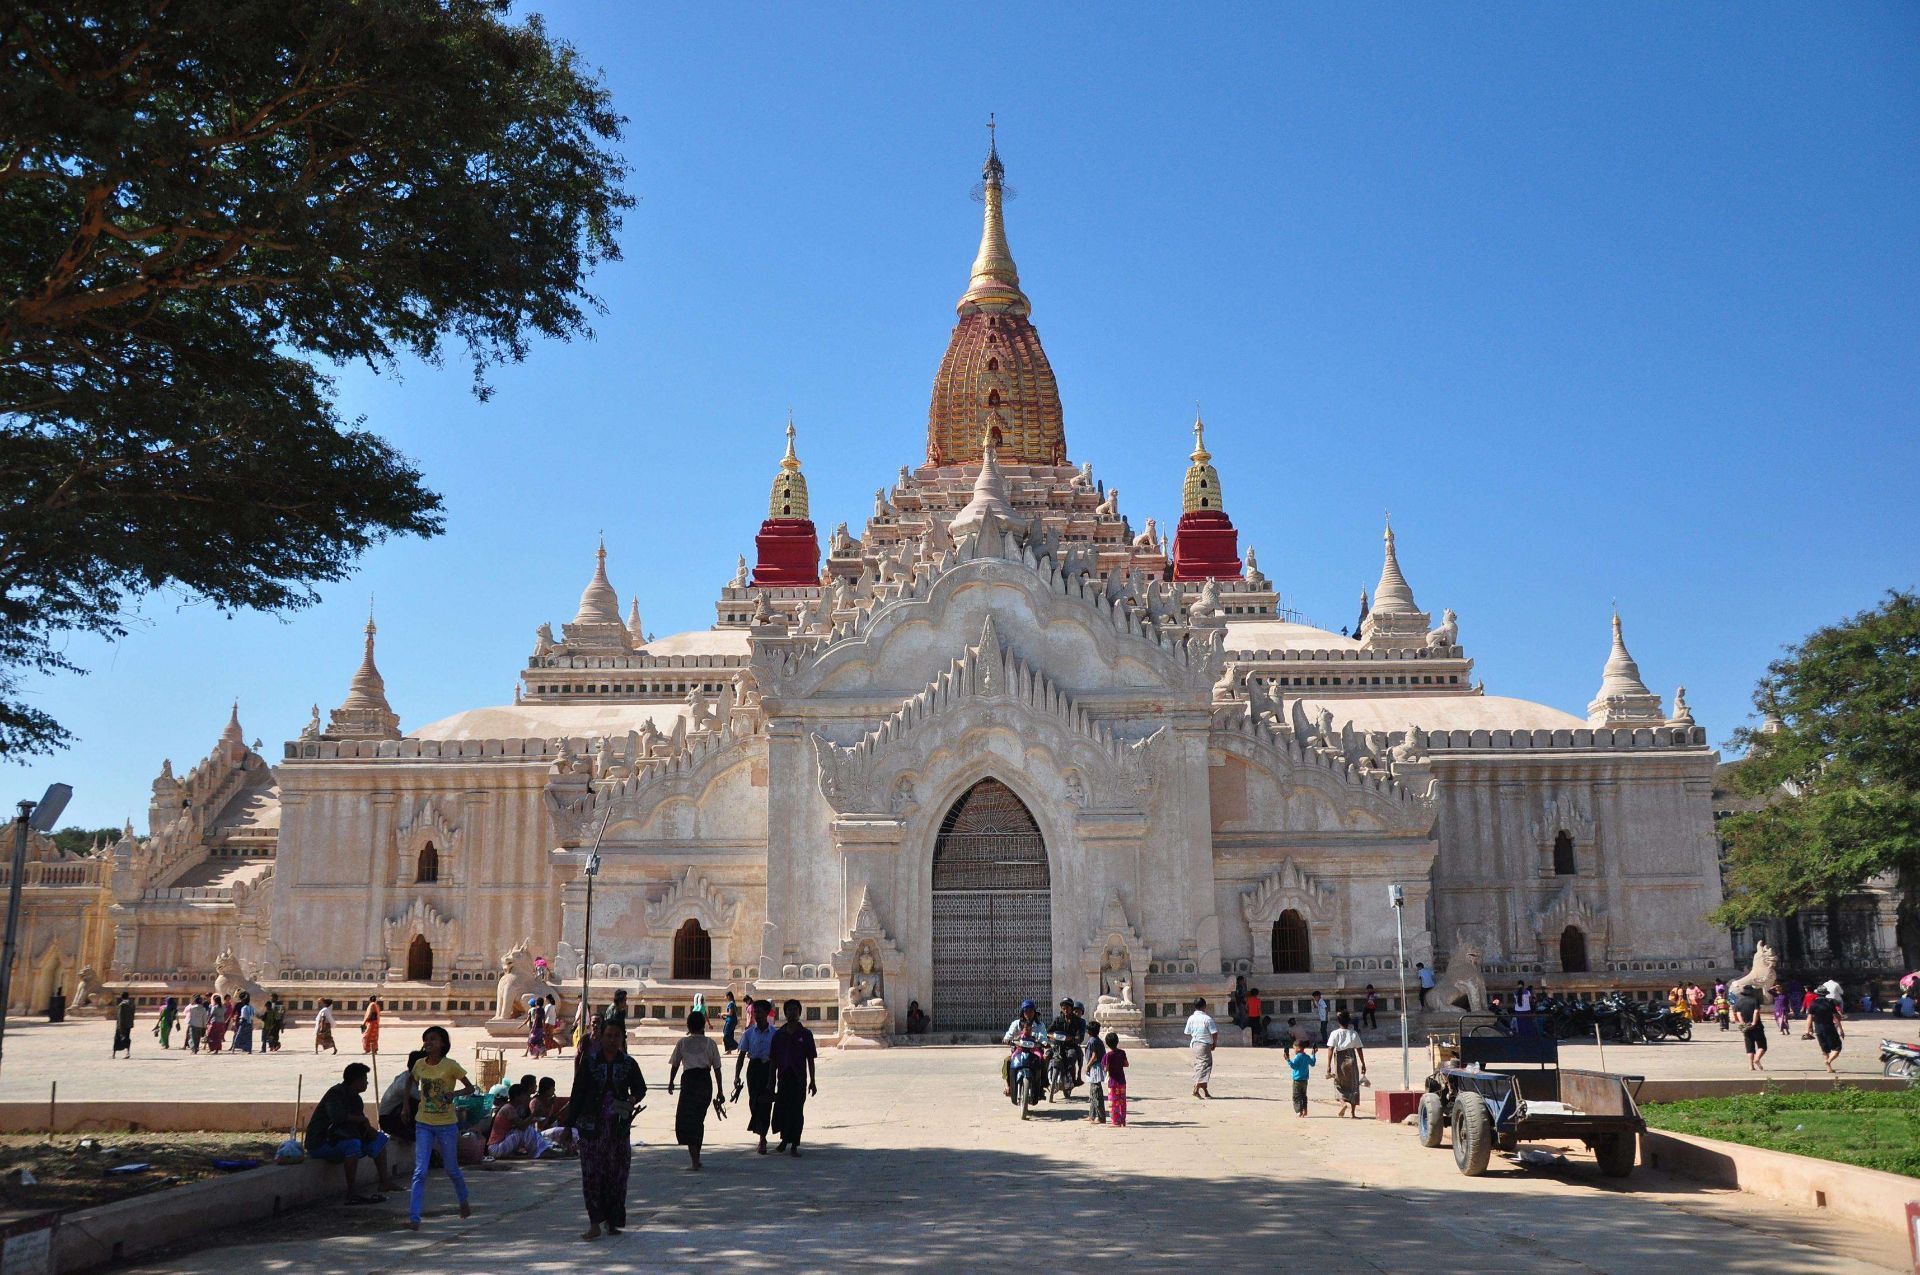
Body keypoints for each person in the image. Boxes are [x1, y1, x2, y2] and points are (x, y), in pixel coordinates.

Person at [570, 1018, 646, 1240]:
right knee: (593, 1175)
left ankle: (613, 1221)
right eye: (608, 1036)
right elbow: (578, 1093)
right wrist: (568, 1124)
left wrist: (631, 1098)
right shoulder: (590, 1062)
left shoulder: (629, 1064)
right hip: (592, 1129)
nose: (612, 1040)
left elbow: (640, 1088)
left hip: (618, 1129)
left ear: (622, 1038)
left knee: (617, 1175)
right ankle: (594, 1222)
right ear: (601, 1037)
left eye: (616, 1036)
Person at [407, 1025, 475, 1229]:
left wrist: (453, 1095)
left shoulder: (451, 1066)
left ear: (443, 1044)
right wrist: (404, 1106)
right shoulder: (419, 1064)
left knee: (451, 1169)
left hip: (446, 1125)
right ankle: (414, 1217)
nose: (429, 1043)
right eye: (426, 1039)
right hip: (423, 1123)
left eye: (433, 1039)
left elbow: (470, 1087)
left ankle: (463, 1200)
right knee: (420, 1171)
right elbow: (409, 1083)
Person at [306, 1062, 395, 1205]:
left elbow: (360, 1124)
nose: (366, 1082)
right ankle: (351, 1192)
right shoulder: (335, 1093)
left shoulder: (356, 1099)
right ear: (356, 1081)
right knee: (352, 1145)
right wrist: (361, 1119)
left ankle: (385, 1182)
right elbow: (337, 1117)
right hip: (322, 1142)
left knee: (379, 1140)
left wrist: (371, 1131)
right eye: (364, 1079)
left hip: (342, 1137)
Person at [667, 1010, 726, 1170]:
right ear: (703, 1025)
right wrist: (720, 1091)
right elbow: (717, 1069)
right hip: (704, 1082)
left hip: (689, 1082)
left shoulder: (682, 1043)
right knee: (698, 1120)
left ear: (688, 1025)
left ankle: (695, 1159)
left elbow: (675, 1065)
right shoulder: (710, 1043)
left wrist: (671, 1082)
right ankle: (696, 1158)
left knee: (687, 1120)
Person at [770, 998, 818, 1155]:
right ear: (785, 1013)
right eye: (789, 1010)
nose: (792, 1012)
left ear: (799, 1013)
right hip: (783, 1077)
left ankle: (794, 1144)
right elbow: (773, 1060)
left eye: (795, 1010)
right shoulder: (779, 1035)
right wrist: (771, 1081)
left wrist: (813, 1081)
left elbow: (810, 1058)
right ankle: (784, 1139)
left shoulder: (805, 1034)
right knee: (783, 1109)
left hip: (799, 1078)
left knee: (797, 1110)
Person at [731, 998, 777, 1154]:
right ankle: (759, 1128)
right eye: (755, 1012)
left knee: (766, 1102)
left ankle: (762, 1138)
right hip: (754, 1069)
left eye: (760, 1012)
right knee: (754, 1102)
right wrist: (737, 1076)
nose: (757, 1015)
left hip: (769, 1069)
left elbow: (777, 1056)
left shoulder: (775, 1034)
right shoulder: (749, 1033)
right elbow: (742, 1055)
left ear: (767, 1013)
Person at [487, 1082, 555, 1159]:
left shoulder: (513, 1108)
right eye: (524, 1095)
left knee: (528, 1129)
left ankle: (543, 1150)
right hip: (496, 1148)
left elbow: (520, 1124)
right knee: (525, 1130)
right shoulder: (508, 1108)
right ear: (517, 1096)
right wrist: (533, 1114)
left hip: (500, 1146)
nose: (526, 1098)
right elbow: (521, 1127)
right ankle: (539, 1152)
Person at [1325, 1011, 1367, 1117]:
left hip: (1339, 1059)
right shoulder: (1353, 1033)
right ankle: (1352, 1113)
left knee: (1338, 1083)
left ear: (1338, 1021)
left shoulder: (1334, 1033)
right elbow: (1359, 1049)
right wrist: (1363, 1063)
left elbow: (1330, 1048)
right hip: (1351, 1058)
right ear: (1349, 1021)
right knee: (1353, 1085)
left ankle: (1343, 1103)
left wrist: (1329, 1065)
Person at [1001, 1000, 1045, 1100]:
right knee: (1007, 1061)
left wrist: (1044, 1042)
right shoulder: (1016, 1023)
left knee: (1043, 1060)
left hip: (1034, 1051)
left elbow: (1043, 1037)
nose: (1028, 1013)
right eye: (1026, 1011)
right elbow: (1009, 1034)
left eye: (1031, 1011)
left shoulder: (1040, 1025)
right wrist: (1007, 1039)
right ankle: (1009, 1086)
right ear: (1022, 1012)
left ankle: (1041, 1087)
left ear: (1034, 1012)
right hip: (1019, 1051)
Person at [379, 1049, 424, 1140]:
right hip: (388, 1120)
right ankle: (409, 1133)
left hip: (390, 1116)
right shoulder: (407, 1086)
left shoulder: (405, 1075)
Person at [1185, 997, 1218, 1099]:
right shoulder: (1207, 1019)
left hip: (1195, 1044)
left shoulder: (1191, 1018)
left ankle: (1205, 1090)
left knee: (1201, 1064)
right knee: (1204, 1066)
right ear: (1204, 1006)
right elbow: (1214, 1033)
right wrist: (1214, 1044)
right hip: (1204, 1044)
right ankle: (1196, 1086)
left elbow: (1187, 1032)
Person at [1807, 992, 1845, 1075]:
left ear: (1817, 994)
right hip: (1829, 1028)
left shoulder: (1813, 1004)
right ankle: (1828, 1061)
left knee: (1825, 1049)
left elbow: (1809, 1017)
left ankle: (1829, 1069)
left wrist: (1809, 1029)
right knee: (1838, 1047)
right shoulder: (1830, 1003)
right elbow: (1836, 1017)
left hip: (1818, 1029)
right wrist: (1841, 1030)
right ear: (1825, 994)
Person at [1735, 983, 1767, 1071]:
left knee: (1749, 1047)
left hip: (1746, 1027)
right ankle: (1757, 1059)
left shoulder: (1739, 1002)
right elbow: (1756, 1012)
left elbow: (1738, 1014)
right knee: (1762, 1045)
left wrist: (1742, 1023)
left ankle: (1751, 1066)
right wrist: (1753, 1022)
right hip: (1757, 1027)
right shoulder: (1755, 1000)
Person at [1104, 1031, 1129, 1128]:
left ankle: (1115, 1121)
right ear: (1117, 1041)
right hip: (1122, 1081)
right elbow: (1126, 1064)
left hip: (1113, 1082)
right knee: (1122, 1101)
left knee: (1113, 1102)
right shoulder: (1122, 1053)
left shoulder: (1108, 1055)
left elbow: (1106, 1068)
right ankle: (1123, 1120)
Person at [1287, 1039, 1317, 1117]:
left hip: (1297, 1080)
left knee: (1296, 1096)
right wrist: (1313, 1054)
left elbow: (1294, 1066)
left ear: (1299, 1048)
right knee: (1304, 1095)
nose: (1293, 1050)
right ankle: (1305, 1110)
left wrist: (1288, 1060)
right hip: (1305, 1080)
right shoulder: (1307, 1056)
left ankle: (1298, 1111)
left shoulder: (1298, 1057)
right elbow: (1313, 1063)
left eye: (1294, 1048)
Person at [1084, 1027, 1108, 1124]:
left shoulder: (1092, 1041)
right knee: (1093, 1093)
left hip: (1095, 1068)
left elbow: (1094, 1056)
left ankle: (1101, 1117)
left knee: (1096, 1092)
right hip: (1097, 1067)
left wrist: (1088, 1066)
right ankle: (1092, 1115)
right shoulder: (1097, 1040)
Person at [110, 991, 135, 1058]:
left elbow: (120, 1016)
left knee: (117, 1039)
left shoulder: (122, 1005)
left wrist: (119, 1026)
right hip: (128, 1024)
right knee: (127, 1038)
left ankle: (113, 1054)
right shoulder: (132, 1004)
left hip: (121, 1025)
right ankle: (128, 1052)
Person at [524, 995, 546, 1059]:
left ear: (537, 1002)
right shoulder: (542, 1009)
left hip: (536, 1027)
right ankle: (537, 1055)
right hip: (540, 1027)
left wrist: (533, 1028)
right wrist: (543, 1028)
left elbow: (535, 1019)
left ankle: (542, 1050)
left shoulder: (537, 1009)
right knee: (538, 1041)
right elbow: (543, 1019)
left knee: (530, 1041)